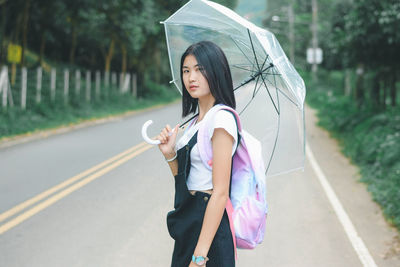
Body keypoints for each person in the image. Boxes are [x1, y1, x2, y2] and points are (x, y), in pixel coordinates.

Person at [156, 41, 238, 267]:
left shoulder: (221, 120)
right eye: (186, 70)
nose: (191, 77)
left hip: (208, 232)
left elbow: (219, 192)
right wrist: (170, 155)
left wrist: (199, 256)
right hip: (189, 223)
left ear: (216, 72)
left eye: (200, 69)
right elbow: (187, 182)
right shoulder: (194, 123)